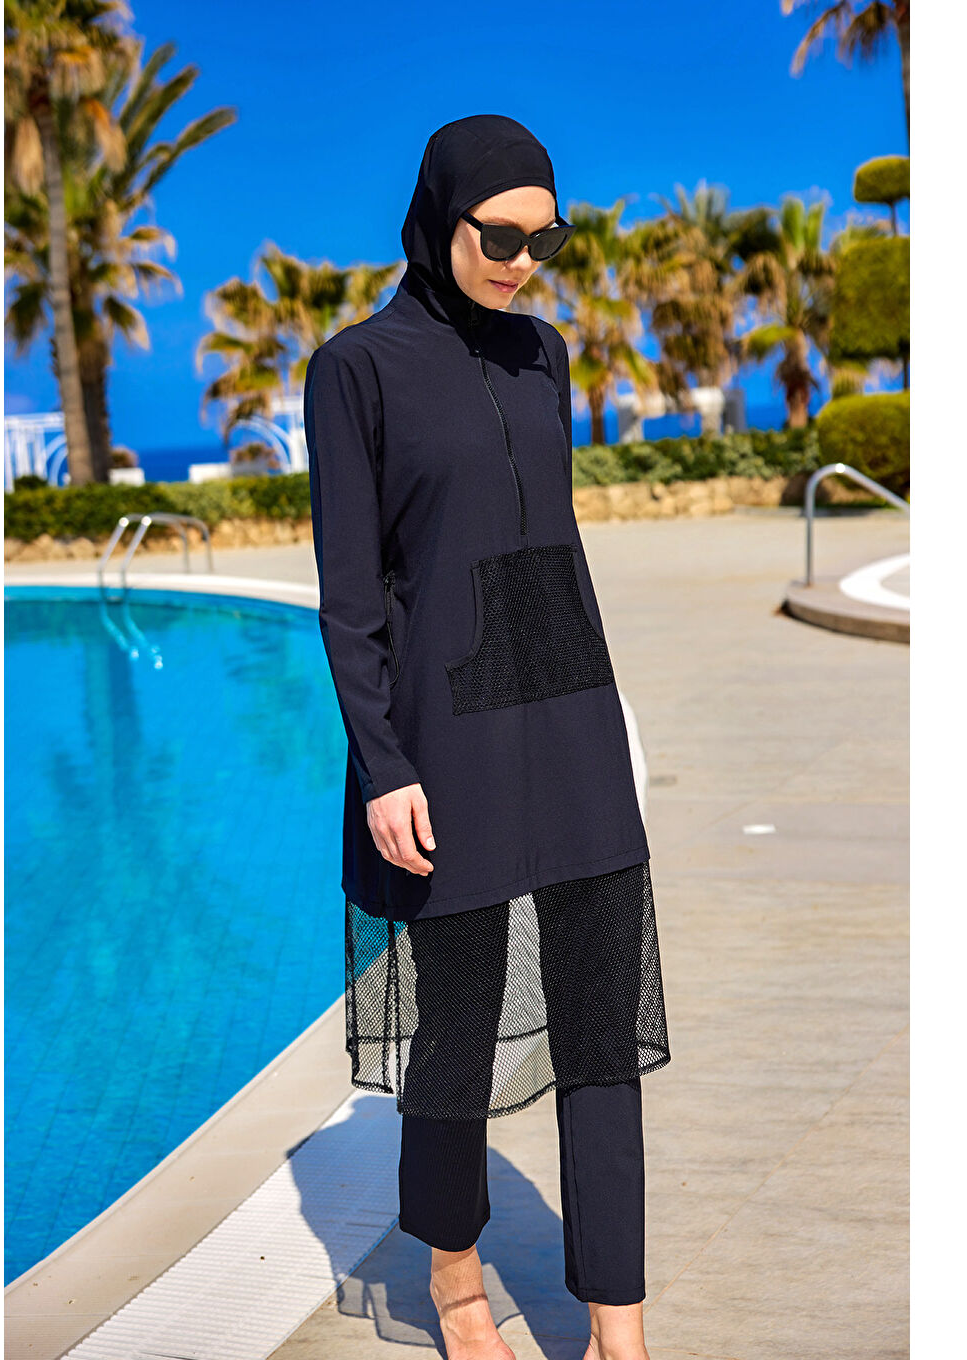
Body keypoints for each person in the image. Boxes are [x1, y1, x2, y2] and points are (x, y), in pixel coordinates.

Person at [304, 114, 671, 1360]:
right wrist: (384, 766)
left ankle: (619, 1326)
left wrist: (605, 718)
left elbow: (549, 549)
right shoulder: (355, 368)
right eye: (499, 237)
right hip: (444, 737)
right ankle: (457, 1286)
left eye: (544, 240)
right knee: (457, 1027)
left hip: (568, 716)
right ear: (438, 218)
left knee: (601, 1027)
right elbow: (352, 597)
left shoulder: (544, 354)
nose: (522, 262)